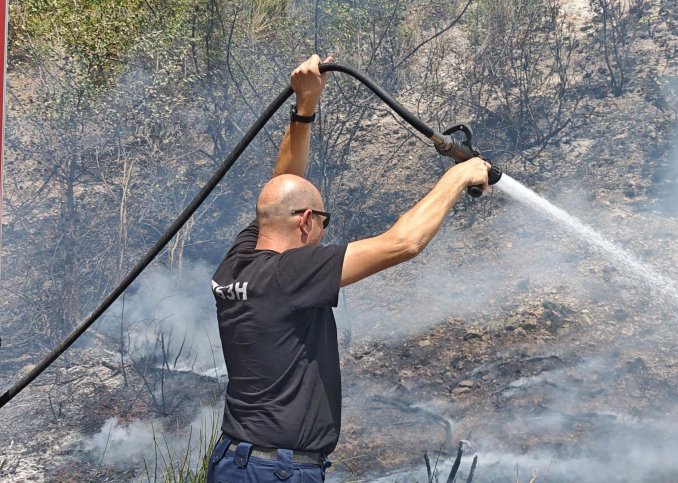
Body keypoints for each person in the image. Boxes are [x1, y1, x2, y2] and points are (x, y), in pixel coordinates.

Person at [207, 54, 490, 482]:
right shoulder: (291, 274)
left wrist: (305, 107)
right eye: (324, 220)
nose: (323, 229)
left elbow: (281, 187)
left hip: (236, 459)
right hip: (275, 470)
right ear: (305, 221)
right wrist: (459, 176)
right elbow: (403, 243)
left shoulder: (239, 262)